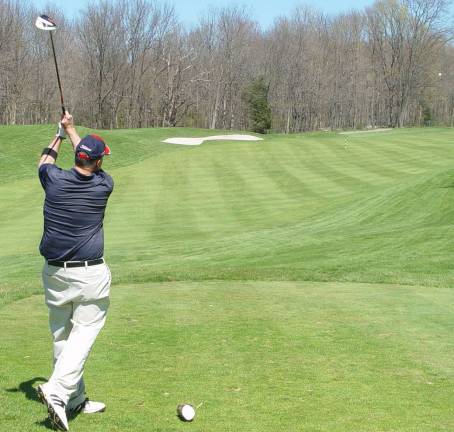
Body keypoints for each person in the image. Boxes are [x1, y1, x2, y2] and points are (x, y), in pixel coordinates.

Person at [36, 112, 114, 431]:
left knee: (61, 336)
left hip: (54, 274)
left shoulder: (52, 179)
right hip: (89, 276)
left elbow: (44, 161)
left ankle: (75, 398)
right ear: (97, 163)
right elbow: (86, 156)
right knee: (85, 330)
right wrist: (72, 131)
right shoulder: (103, 185)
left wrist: (59, 133)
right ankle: (58, 390)